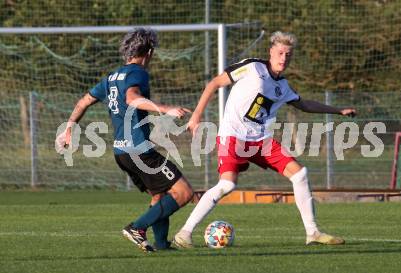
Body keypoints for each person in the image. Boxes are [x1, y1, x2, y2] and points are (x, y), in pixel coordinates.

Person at [173, 31, 356, 248]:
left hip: (261, 139)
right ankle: (184, 233)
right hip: (233, 134)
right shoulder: (252, 67)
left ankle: (313, 232)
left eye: (288, 55)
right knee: (227, 184)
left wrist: (338, 111)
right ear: (271, 52)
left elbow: (304, 104)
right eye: (280, 53)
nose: (283, 58)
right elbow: (214, 83)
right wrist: (196, 116)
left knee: (300, 175)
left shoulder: (283, 86)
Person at [55, 28, 194, 253]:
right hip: (139, 150)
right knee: (183, 192)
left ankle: (161, 244)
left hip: (122, 153)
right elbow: (132, 98)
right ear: (148, 52)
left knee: (159, 194)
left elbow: (83, 101)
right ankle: (137, 228)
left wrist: (69, 128)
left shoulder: (111, 77)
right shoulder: (138, 72)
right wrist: (164, 108)